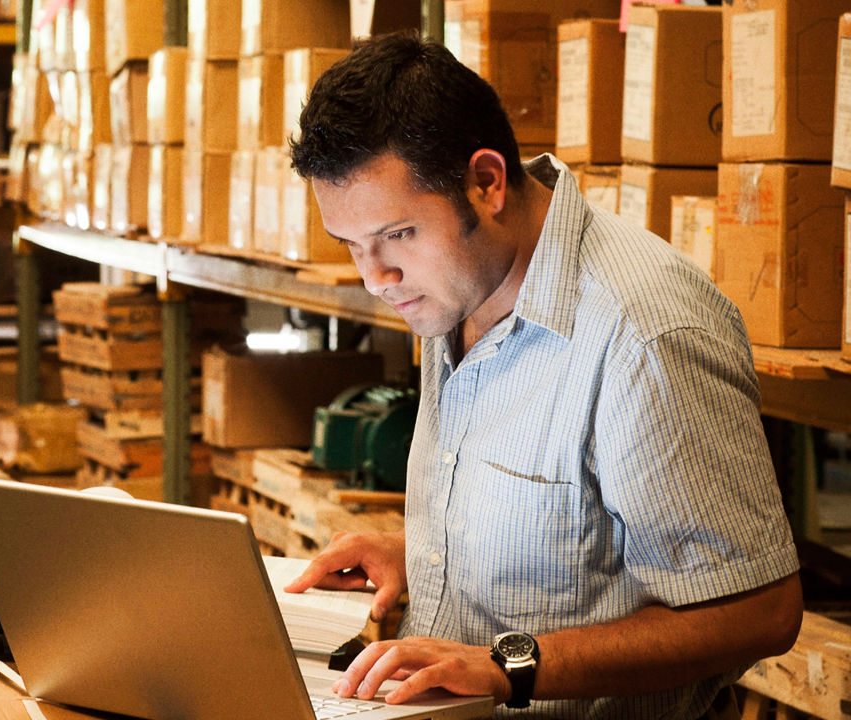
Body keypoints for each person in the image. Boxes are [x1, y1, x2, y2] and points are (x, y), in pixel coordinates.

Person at [284, 31, 803, 719]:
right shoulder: (457, 287)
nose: (375, 278)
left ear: (487, 182)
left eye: (397, 235)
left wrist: (508, 667)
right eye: (352, 246)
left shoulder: (644, 333)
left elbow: (758, 610)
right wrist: (431, 551)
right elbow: (578, 532)